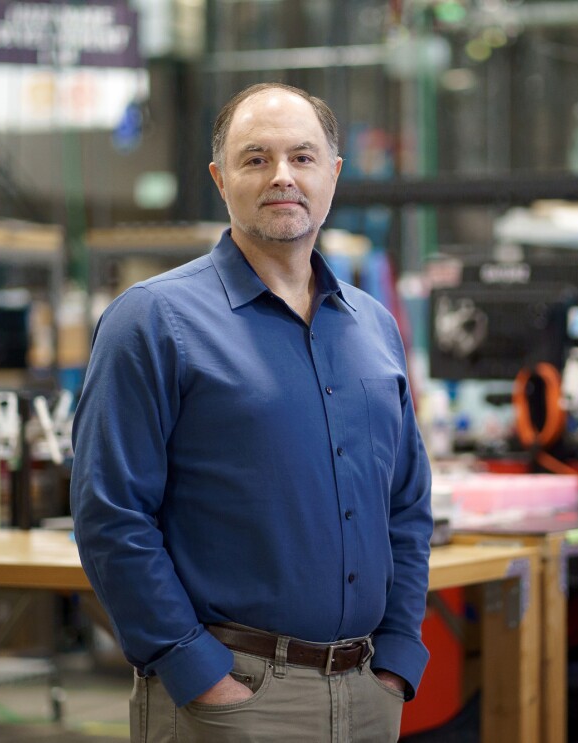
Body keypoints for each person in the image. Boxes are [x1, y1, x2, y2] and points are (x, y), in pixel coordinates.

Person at [70, 82, 433, 742]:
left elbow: (405, 504)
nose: (282, 177)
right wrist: (197, 671)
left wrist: (399, 656)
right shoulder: (153, 321)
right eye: (255, 158)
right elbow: (110, 514)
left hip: (368, 691)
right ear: (219, 178)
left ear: (332, 173)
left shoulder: (374, 328)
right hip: (233, 699)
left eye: (301, 157)